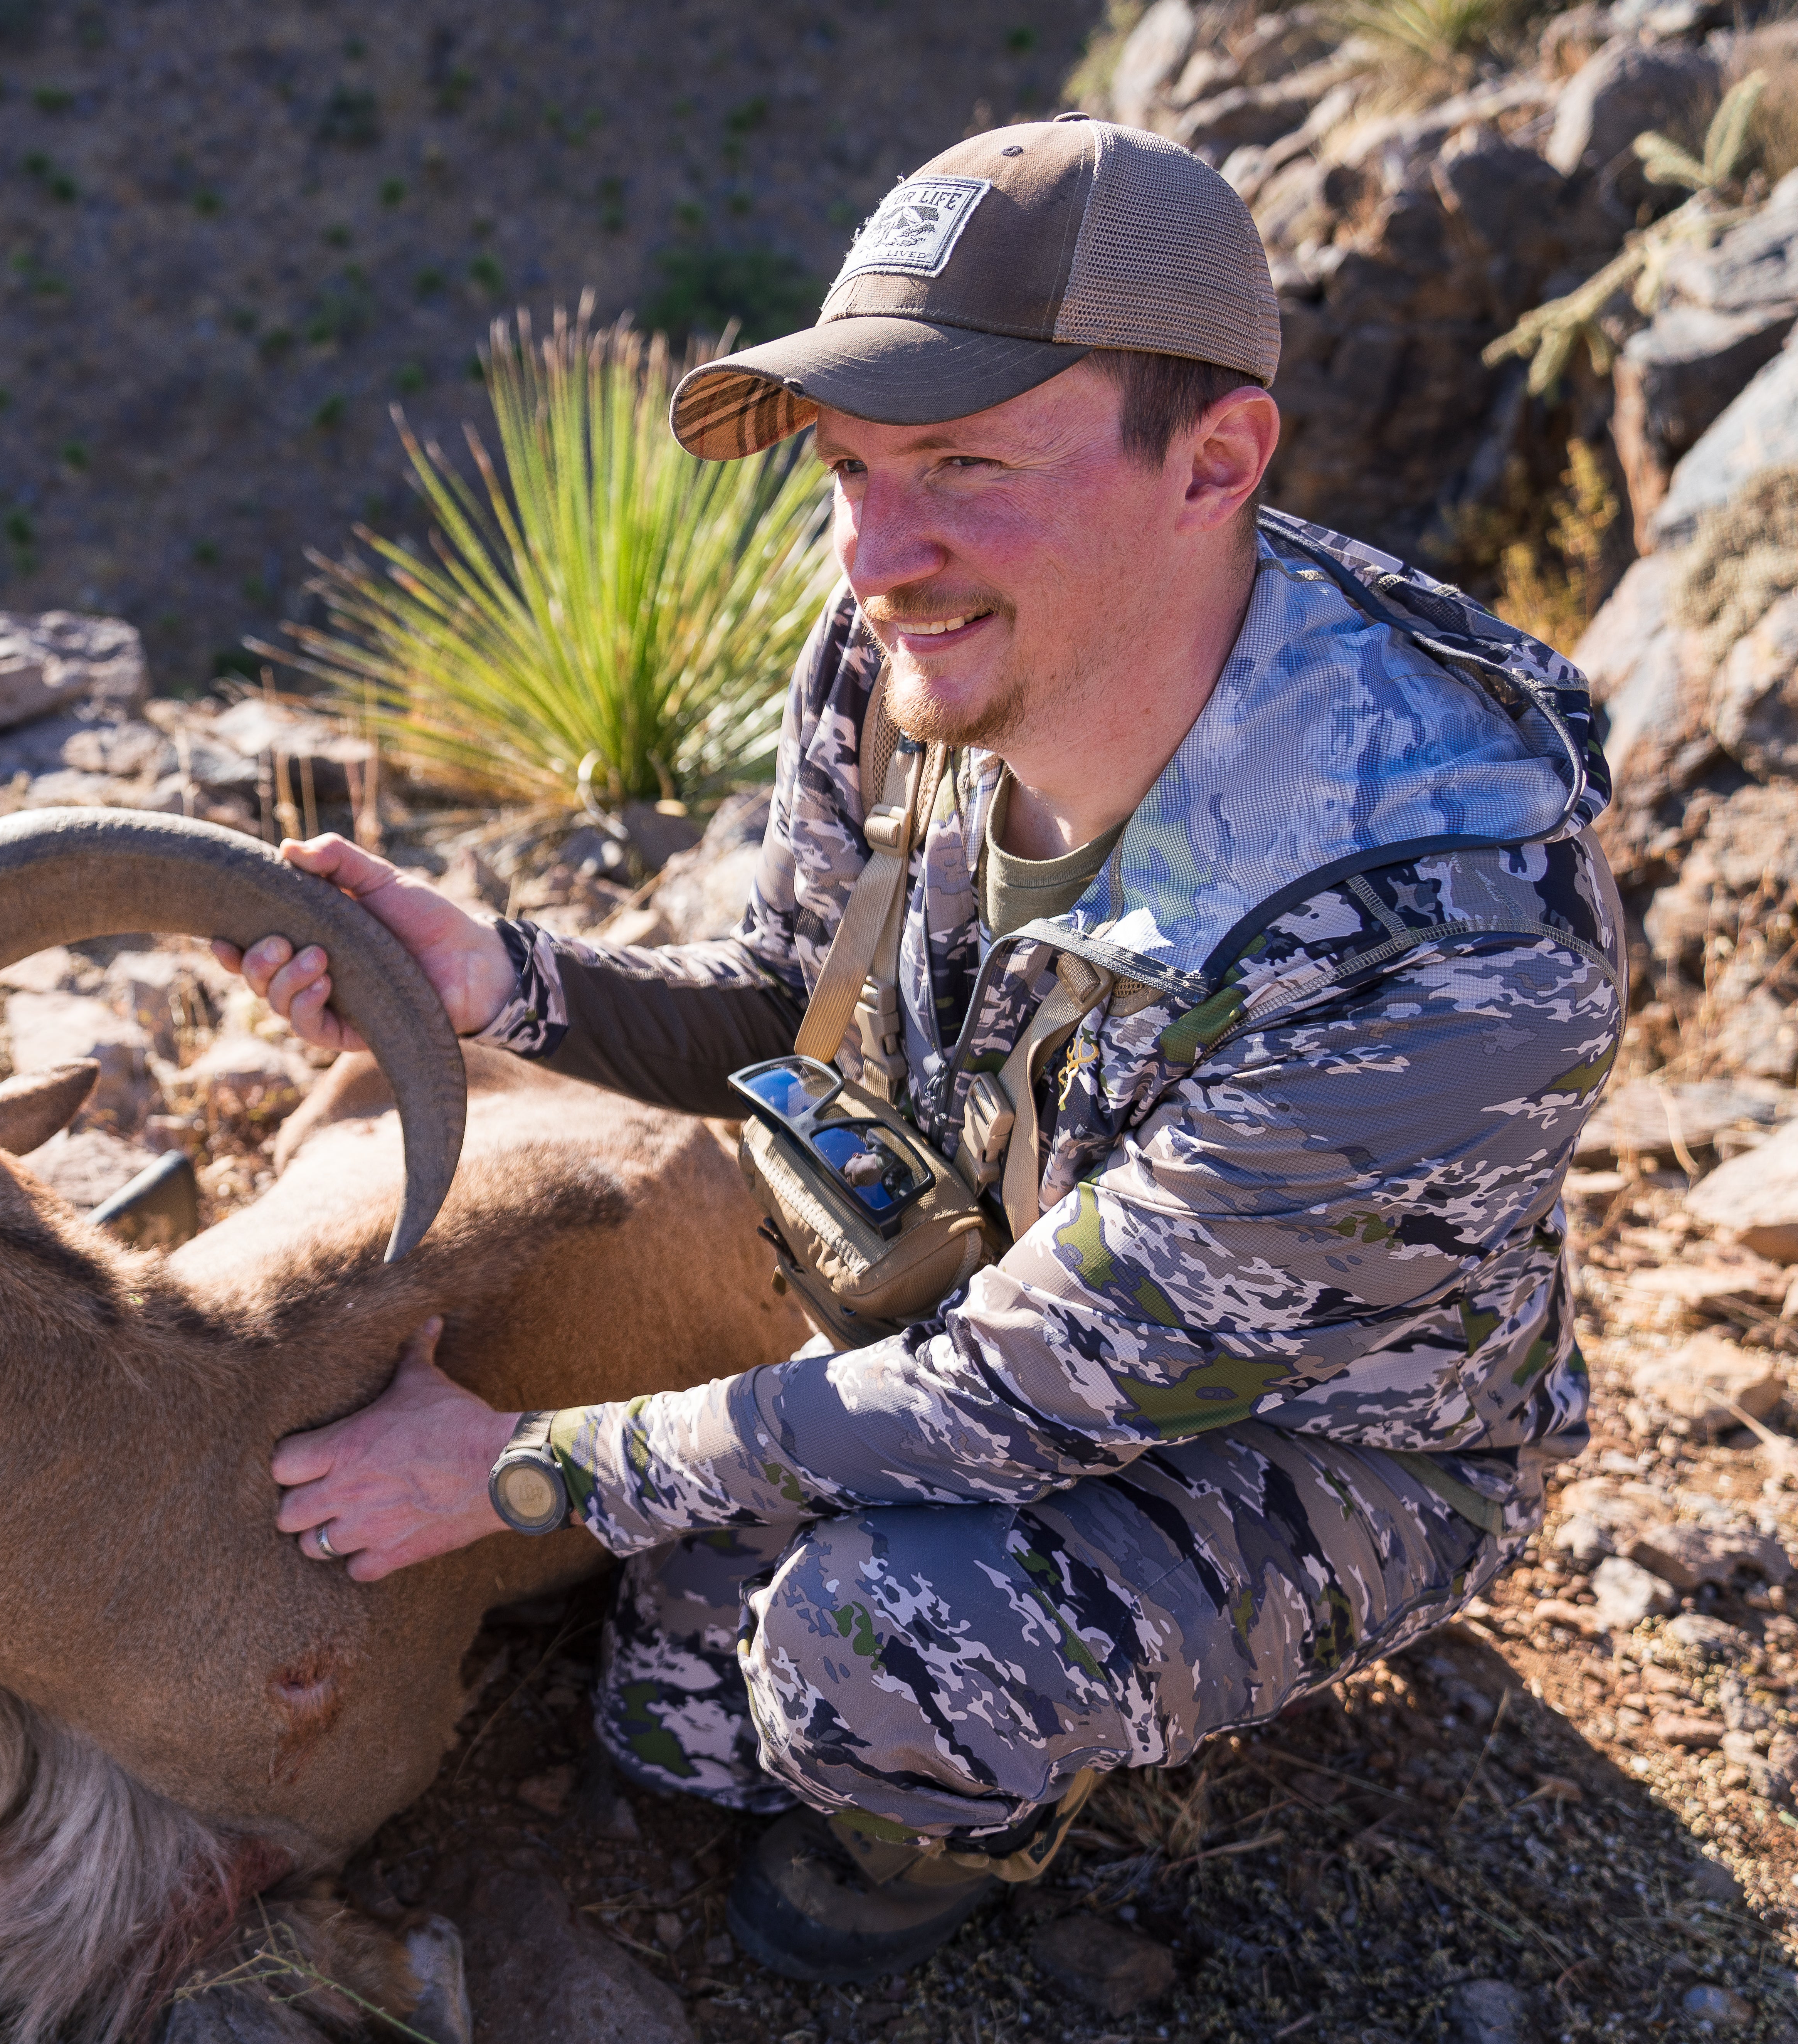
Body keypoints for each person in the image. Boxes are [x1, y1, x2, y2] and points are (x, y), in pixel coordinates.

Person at [219, 114, 1621, 1985]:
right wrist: (498, 983)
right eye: (848, 467)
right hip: (997, 1300)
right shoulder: (914, 652)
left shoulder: (1441, 951)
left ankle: (960, 1837)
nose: (879, 551)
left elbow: (1023, 1397)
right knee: (665, 1707)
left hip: (1324, 1441)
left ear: (1214, 461)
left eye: (963, 459)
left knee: (867, 1664)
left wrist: (517, 1473)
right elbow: (786, 1003)